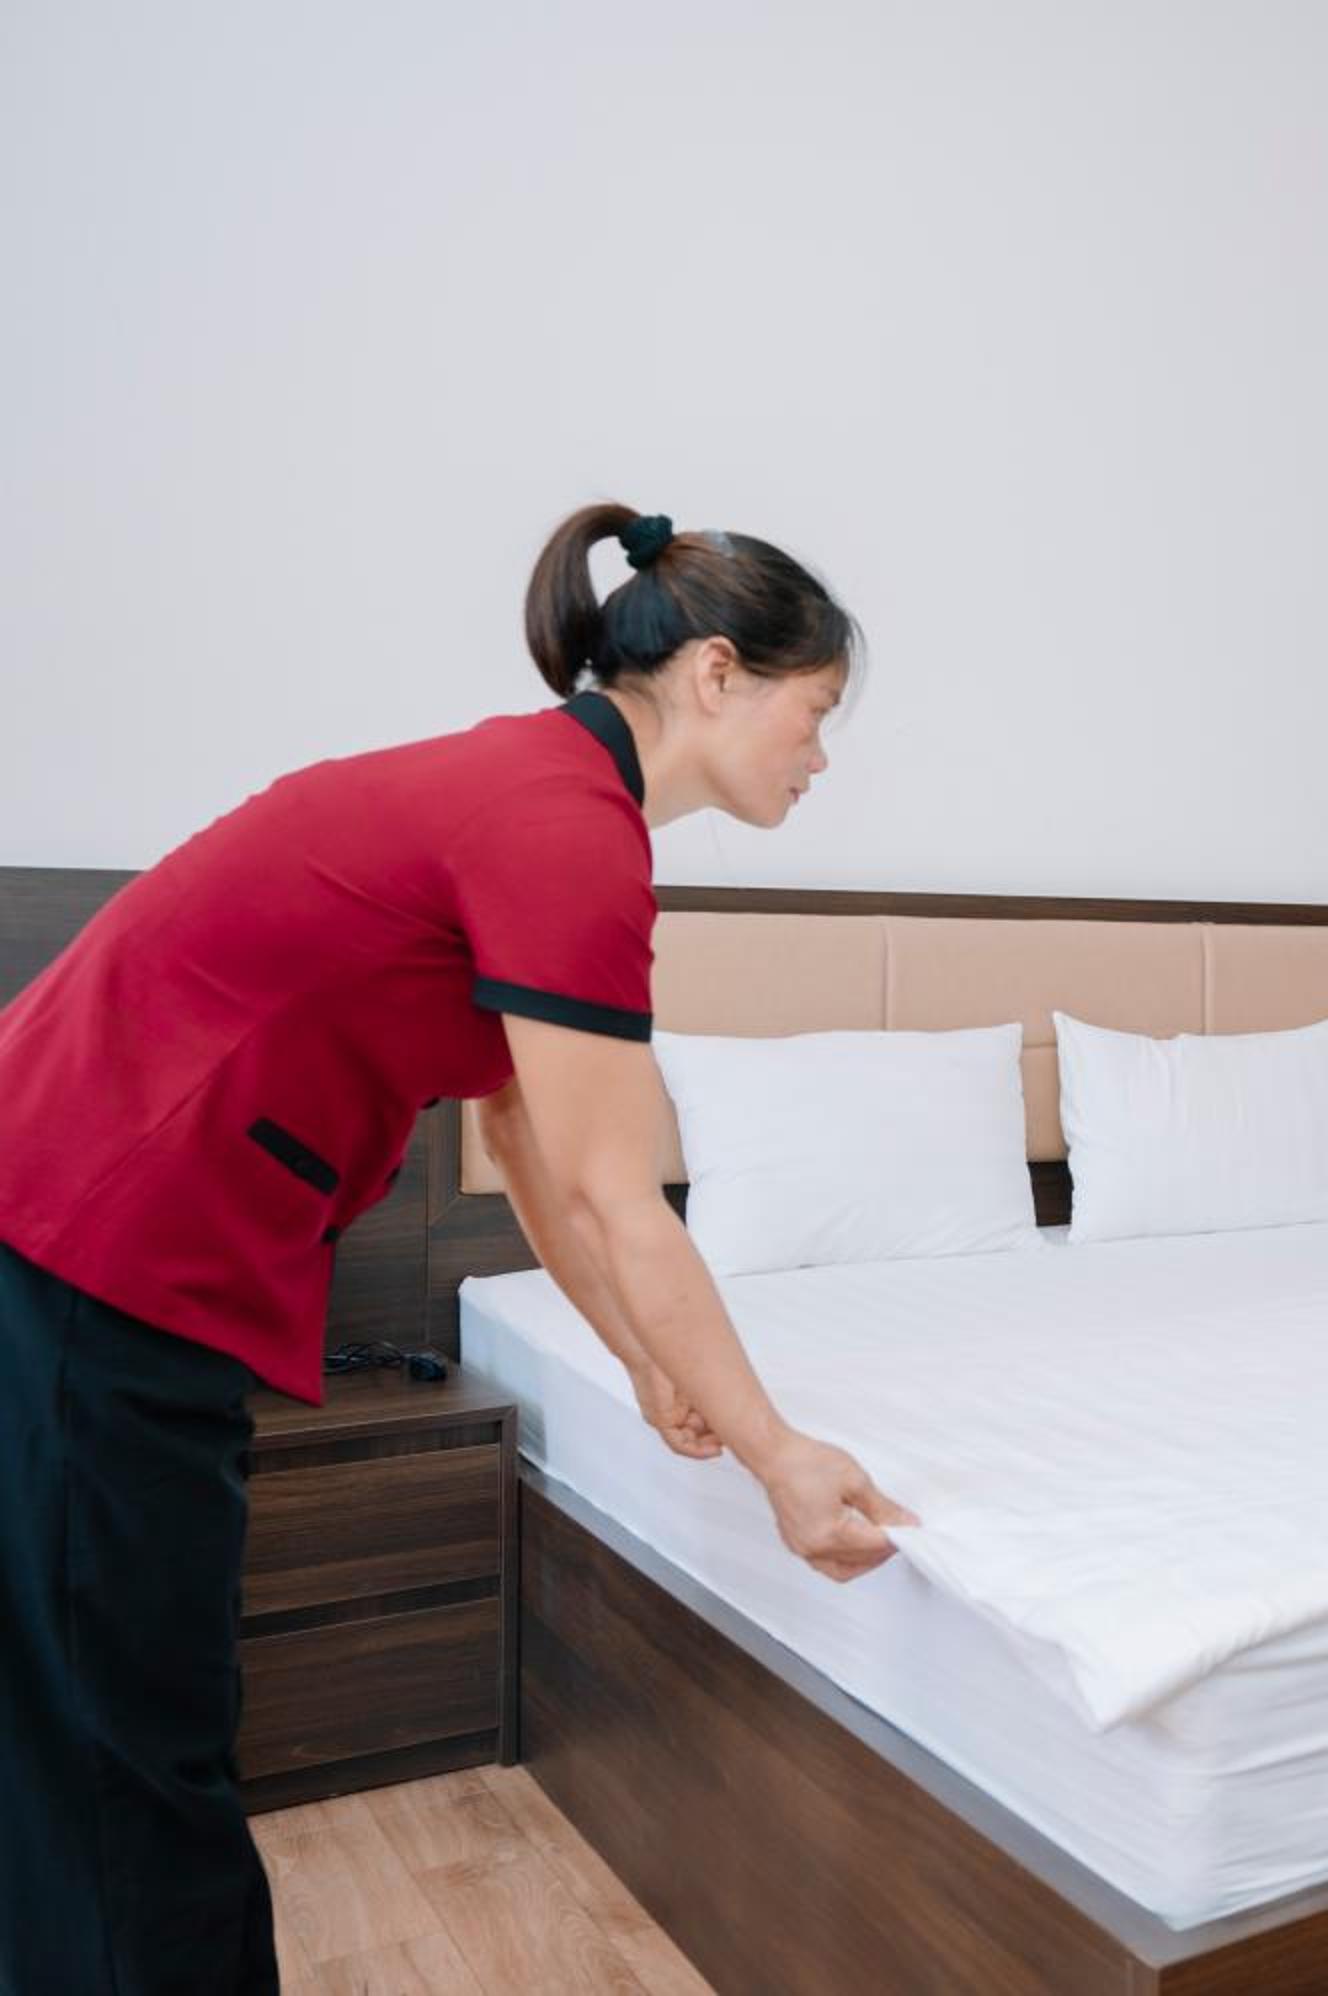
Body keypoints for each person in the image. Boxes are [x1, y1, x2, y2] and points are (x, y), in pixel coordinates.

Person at [0, 502, 917, 1994]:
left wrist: (645, 1364)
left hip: (82, 1230)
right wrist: (776, 1452)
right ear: (717, 675)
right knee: (127, 1751)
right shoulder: (566, 832)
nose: (822, 755)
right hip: (90, 1240)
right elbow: (618, 1198)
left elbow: (526, 1142)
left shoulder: (533, 789)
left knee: (101, 1730)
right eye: (816, 712)